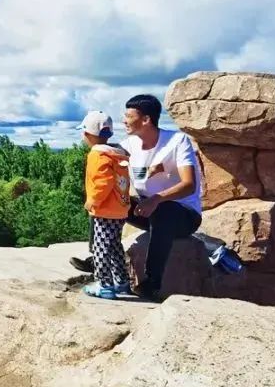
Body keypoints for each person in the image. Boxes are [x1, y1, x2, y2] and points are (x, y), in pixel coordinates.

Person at [71, 94, 203, 300]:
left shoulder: (177, 141)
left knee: (165, 211)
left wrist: (156, 199)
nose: (124, 120)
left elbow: (188, 185)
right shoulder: (130, 144)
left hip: (182, 214)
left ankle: (152, 282)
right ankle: (97, 258)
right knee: (106, 203)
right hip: (148, 208)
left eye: (128, 116)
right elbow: (116, 165)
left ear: (146, 119)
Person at [77, 112, 133, 299]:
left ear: (88, 134)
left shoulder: (98, 155)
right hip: (120, 208)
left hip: (105, 209)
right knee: (114, 245)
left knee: (100, 247)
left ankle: (104, 285)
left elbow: (103, 182)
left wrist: (92, 201)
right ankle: (121, 281)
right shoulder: (116, 154)